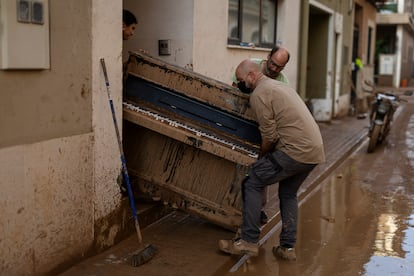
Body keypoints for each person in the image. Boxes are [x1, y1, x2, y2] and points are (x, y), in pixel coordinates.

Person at [219, 60, 325, 261]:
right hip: (314, 151)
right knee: (288, 193)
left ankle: (248, 242)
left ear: (251, 75)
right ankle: (287, 248)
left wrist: (259, 158)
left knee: (253, 181)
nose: (240, 84)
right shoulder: (279, 86)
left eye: (241, 80)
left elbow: (269, 136)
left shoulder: (259, 94)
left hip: (295, 151)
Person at [233, 46, 291, 225]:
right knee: (237, 165)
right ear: (268, 57)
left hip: (265, 129)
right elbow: (233, 92)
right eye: (273, 64)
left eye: (279, 67)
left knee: (261, 169)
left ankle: (257, 209)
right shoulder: (250, 67)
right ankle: (233, 204)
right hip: (241, 123)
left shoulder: (283, 82)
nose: (274, 69)